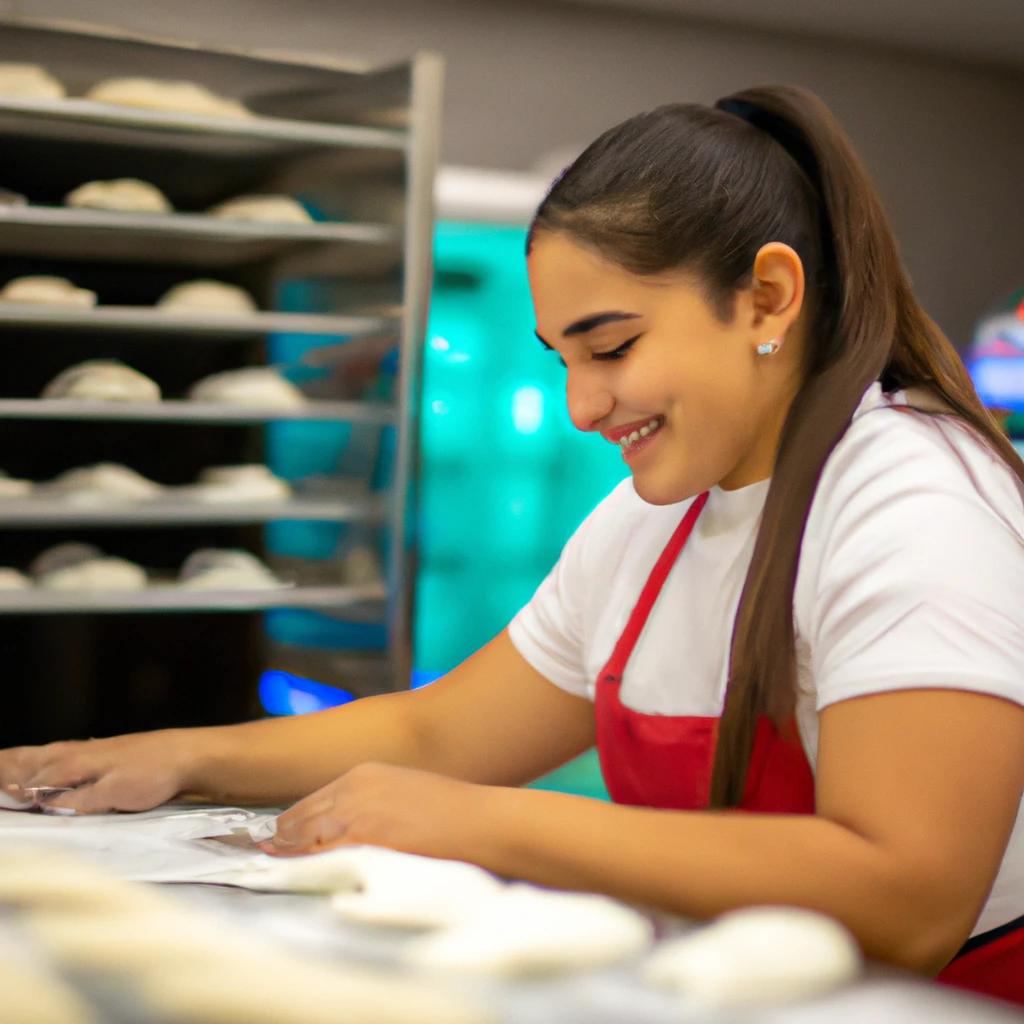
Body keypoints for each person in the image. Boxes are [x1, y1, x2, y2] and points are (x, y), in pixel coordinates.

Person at [2, 85, 1023, 1003]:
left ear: (767, 296)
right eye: (562, 358)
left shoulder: (912, 499)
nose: (581, 406)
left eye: (613, 346)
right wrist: (178, 757)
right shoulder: (648, 522)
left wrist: (477, 823)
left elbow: (905, 896)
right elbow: (436, 735)